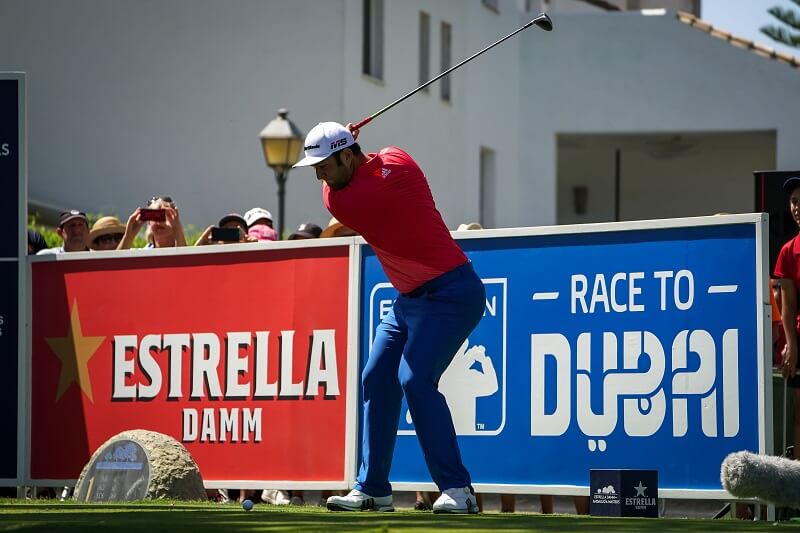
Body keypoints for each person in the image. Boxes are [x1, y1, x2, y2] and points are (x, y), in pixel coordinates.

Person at [294, 122, 485, 514]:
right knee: (376, 376)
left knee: (414, 379)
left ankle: (458, 491)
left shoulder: (346, 200)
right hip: (410, 299)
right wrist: (343, 144)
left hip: (452, 293)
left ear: (347, 156)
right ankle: (374, 489)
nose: (318, 175)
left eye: (323, 165)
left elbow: (335, 192)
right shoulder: (400, 161)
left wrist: (344, 144)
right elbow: (378, 158)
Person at [775, 175, 800, 459]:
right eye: (794, 202)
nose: (797, 208)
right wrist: (792, 345)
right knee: (799, 413)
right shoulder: (788, 251)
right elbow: (788, 306)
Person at [118, 196, 186, 249]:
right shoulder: (141, 255)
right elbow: (116, 264)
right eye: (154, 216)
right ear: (148, 222)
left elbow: (186, 262)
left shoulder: (193, 251)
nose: (159, 222)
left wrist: (178, 232)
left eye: (164, 215)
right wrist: (129, 236)